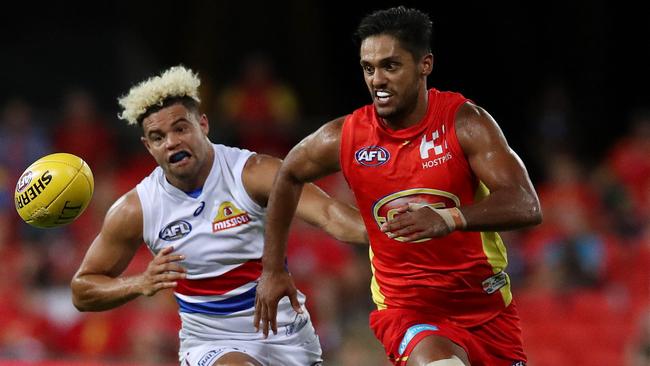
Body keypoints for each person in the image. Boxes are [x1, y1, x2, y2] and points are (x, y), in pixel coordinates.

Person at [254, 6, 542, 366]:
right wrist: (273, 268)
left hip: (487, 310)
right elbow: (288, 174)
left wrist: (448, 218)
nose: (377, 80)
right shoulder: (346, 136)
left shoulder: (465, 123)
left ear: (425, 64)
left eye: (390, 66)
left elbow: (526, 205)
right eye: (368, 68)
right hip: (408, 311)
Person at [70, 65, 367, 366]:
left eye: (180, 128)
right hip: (210, 343)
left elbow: (330, 214)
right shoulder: (137, 208)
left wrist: (391, 233)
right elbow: (82, 290)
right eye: (158, 137)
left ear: (203, 124)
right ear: (148, 146)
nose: (171, 142)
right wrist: (138, 283)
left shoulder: (252, 173)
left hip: (285, 336)